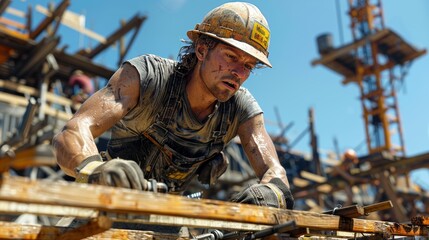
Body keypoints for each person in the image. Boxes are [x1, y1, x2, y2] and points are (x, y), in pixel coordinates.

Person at [53, 2, 294, 210]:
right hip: (105, 207)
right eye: (231, 57)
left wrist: (272, 193)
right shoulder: (148, 78)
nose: (239, 72)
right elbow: (73, 131)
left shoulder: (240, 108)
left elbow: (276, 173)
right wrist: (95, 171)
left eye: (249, 65)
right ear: (201, 49)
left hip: (169, 218)